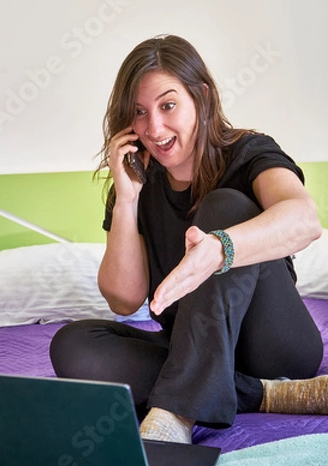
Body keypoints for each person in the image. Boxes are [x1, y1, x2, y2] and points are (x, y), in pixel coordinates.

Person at [50, 35, 327, 443]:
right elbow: (125, 300)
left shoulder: (249, 153)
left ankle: (177, 408)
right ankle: (266, 395)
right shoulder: (137, 182)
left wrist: (218, 250)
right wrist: (126, 200)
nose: (154, 128)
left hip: (272, 346)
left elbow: (305, 220)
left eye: (168, 105)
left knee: (226, 206)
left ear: (201, 96)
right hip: (191, 349)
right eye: (139, 113)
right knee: (74, 345)